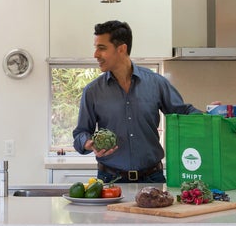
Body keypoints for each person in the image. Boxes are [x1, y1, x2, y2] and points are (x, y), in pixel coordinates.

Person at [73, 20, 201, 183]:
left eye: (102, 48)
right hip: (110, 180)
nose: (95, 54)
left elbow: (183, 114)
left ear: (121, 49)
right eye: (96, 47)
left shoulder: (156, 83)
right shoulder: (92, 91)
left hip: (152, 178)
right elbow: (80, 133)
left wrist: (212, 116)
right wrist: (88, 143)